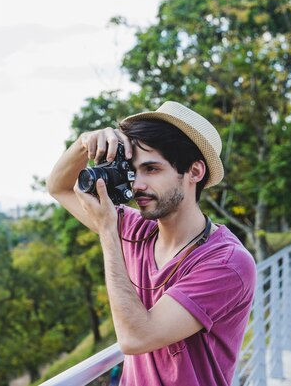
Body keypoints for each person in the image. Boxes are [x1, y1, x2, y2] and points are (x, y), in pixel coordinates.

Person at [46, 101, 256, 386]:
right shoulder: (136, 230)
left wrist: (108, 231)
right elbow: (58, 186)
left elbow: (136, 338)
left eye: (152, 169)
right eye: (134, 170)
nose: (137, 185)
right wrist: (85, 143)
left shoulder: (227, 262)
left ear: (194, 172)